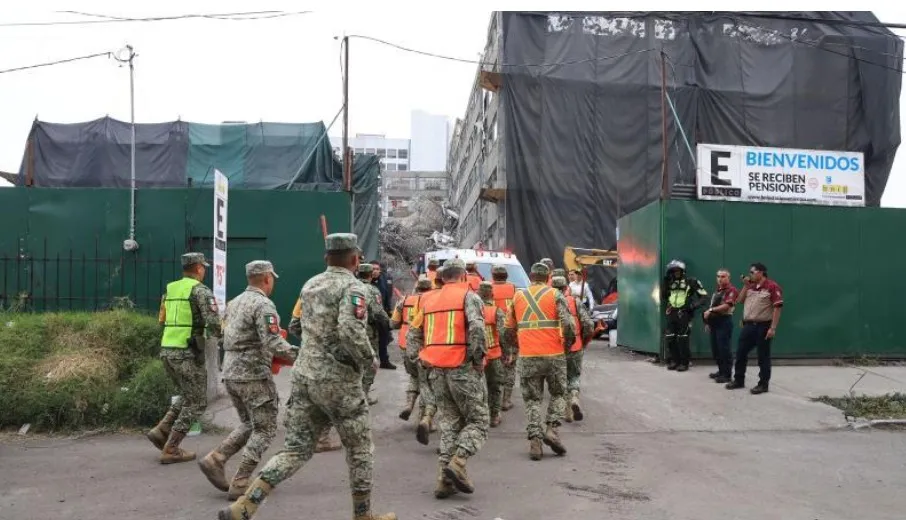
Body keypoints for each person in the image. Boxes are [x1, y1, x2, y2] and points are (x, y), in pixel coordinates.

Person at [218, 233, 395, 520]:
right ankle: (363, 515)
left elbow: (296, 324)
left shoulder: (310, 285)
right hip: (339, 381)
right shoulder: (354, 288)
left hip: (304, 377)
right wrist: (369, 360)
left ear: (326, 258)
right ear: (355, 259)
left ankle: (245, 506)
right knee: (360, 448)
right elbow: (351, 331)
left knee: (296, 449)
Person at [199, 261, 297, 499]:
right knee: (265, 427)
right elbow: (273, 342)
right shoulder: (263, 304)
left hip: (231, 371)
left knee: (248, 423)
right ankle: (242, 480)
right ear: (266, 278)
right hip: (253, 374)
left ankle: (216, 459)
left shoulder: (234, 302)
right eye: (272, 278)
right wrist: (301, 355)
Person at [406, 258, 488, 500]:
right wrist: (476, 359)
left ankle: (443, 480)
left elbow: (413, 332)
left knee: (450, 422)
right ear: (463, 275)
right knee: (478, 421)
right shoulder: (469, 297)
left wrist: (419, 358)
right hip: (461, 366)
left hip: (436, 369)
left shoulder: (428, 299)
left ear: (441, 277)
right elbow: (477, 329)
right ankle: (458, 462)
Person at [147, 252, 222, 464]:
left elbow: (161, 318)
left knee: (187, 393)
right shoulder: (200, 291)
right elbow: (214, 322)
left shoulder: (170, 289)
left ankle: (162, 430)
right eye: (204, 267)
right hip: (187, 352)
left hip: (168, 349)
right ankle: (171, 448)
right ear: (198, 268)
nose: (204, 270)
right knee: (197, 401)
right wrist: (221, 336)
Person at [506, 263, 575, 461]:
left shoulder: (518, 296)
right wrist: (567, 344)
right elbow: (568, 324)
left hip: (528, 356)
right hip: (554, 354)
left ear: (531, 276)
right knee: (558, 393)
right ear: (548, 278)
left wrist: (514, 346)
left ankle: (535, 441)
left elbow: (507, 329)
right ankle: (552, 430)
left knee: (532, 399)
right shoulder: (555, 295)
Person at [726, 262, 783, 395]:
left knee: (763, 356)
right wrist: (746, 286)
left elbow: (778, 307)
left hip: (763, 326)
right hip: (748, 325)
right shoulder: (750, 286)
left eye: (752, 272)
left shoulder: (772, 286)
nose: (749, 275)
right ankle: (738, 380)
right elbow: (739, 300)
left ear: (761, 272)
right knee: (740, 353)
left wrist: (772, 328)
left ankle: (763, 384)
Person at [390, 276, 436, 431]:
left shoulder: (404, 300)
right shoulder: (434, 300)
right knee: (427, 382)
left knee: (414, 376)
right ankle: (424, 419)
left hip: (405, 343)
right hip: (426, 345)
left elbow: (393, 323)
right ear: (430, 288)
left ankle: (409, 404)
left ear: (417, 287)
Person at [551, 276, 594, 422]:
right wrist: (584, 340)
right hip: (575, 346)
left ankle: (567, 411)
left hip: (556, 348)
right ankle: (574, 396)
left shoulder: (547, 302)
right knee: (574, 376)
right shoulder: (575, 302)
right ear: (565, 288)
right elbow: (588, 324)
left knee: (560, 379)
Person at [661, 259, 707, 372]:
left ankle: (684, 363)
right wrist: (665, 284)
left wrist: (692, 306)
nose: (676, 273)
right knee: (670, 337)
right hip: (671, 312)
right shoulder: (670, 282)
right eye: (673, 271)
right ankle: (675, 361)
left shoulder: (691, 281)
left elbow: (704, 297)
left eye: (678, 270)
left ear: (682, 271)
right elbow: (664, 296)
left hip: (684, 313)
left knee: (683, 338)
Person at [477, 281, 512, 427]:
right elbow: (503, 333)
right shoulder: (496, 311)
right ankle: (494, 415)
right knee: (495, 386)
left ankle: (479, 416)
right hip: (493, 354)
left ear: (478, 294)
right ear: (492, 294)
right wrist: (507, 352)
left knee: (478, 388)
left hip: (477, 356)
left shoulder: (472, 310)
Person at [358, 263, 390, 405]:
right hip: (369, 330)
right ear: (371, 275)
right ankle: (363, 395)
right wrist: (390, 324)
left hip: (351, 329)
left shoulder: (351, 287)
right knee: (371, 361)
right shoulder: (372, 290)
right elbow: (378, 312)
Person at [703, 268, 738, 384]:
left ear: (728, 278)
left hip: (724, 321)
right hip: (715, 322)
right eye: (718, 276)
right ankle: (721, 370)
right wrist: (708, 323)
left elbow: (727, 306)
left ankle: (727, 375)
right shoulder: (717, 291)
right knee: (716, 349)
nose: (720, 279)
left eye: (723, 276)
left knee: (724, 349)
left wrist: (711, 310)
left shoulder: (731, 290)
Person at [490, 264, 518, 411]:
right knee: (510, 366)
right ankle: (506, 400)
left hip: (492, 333)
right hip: (510, 332)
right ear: (506, 276)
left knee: (494, 367)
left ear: (493, 276)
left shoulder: (487, 288)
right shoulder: (513, 288)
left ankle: (493, 400)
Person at [371, 260, 396, 370]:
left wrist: (389, 311)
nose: (375, 271)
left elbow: (387, 297)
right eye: (373, 269)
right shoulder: (363, 282)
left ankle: (384, 361)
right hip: (369, 316)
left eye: (377, 269)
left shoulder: (384, 281)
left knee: (384, 338)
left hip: (382, 314)